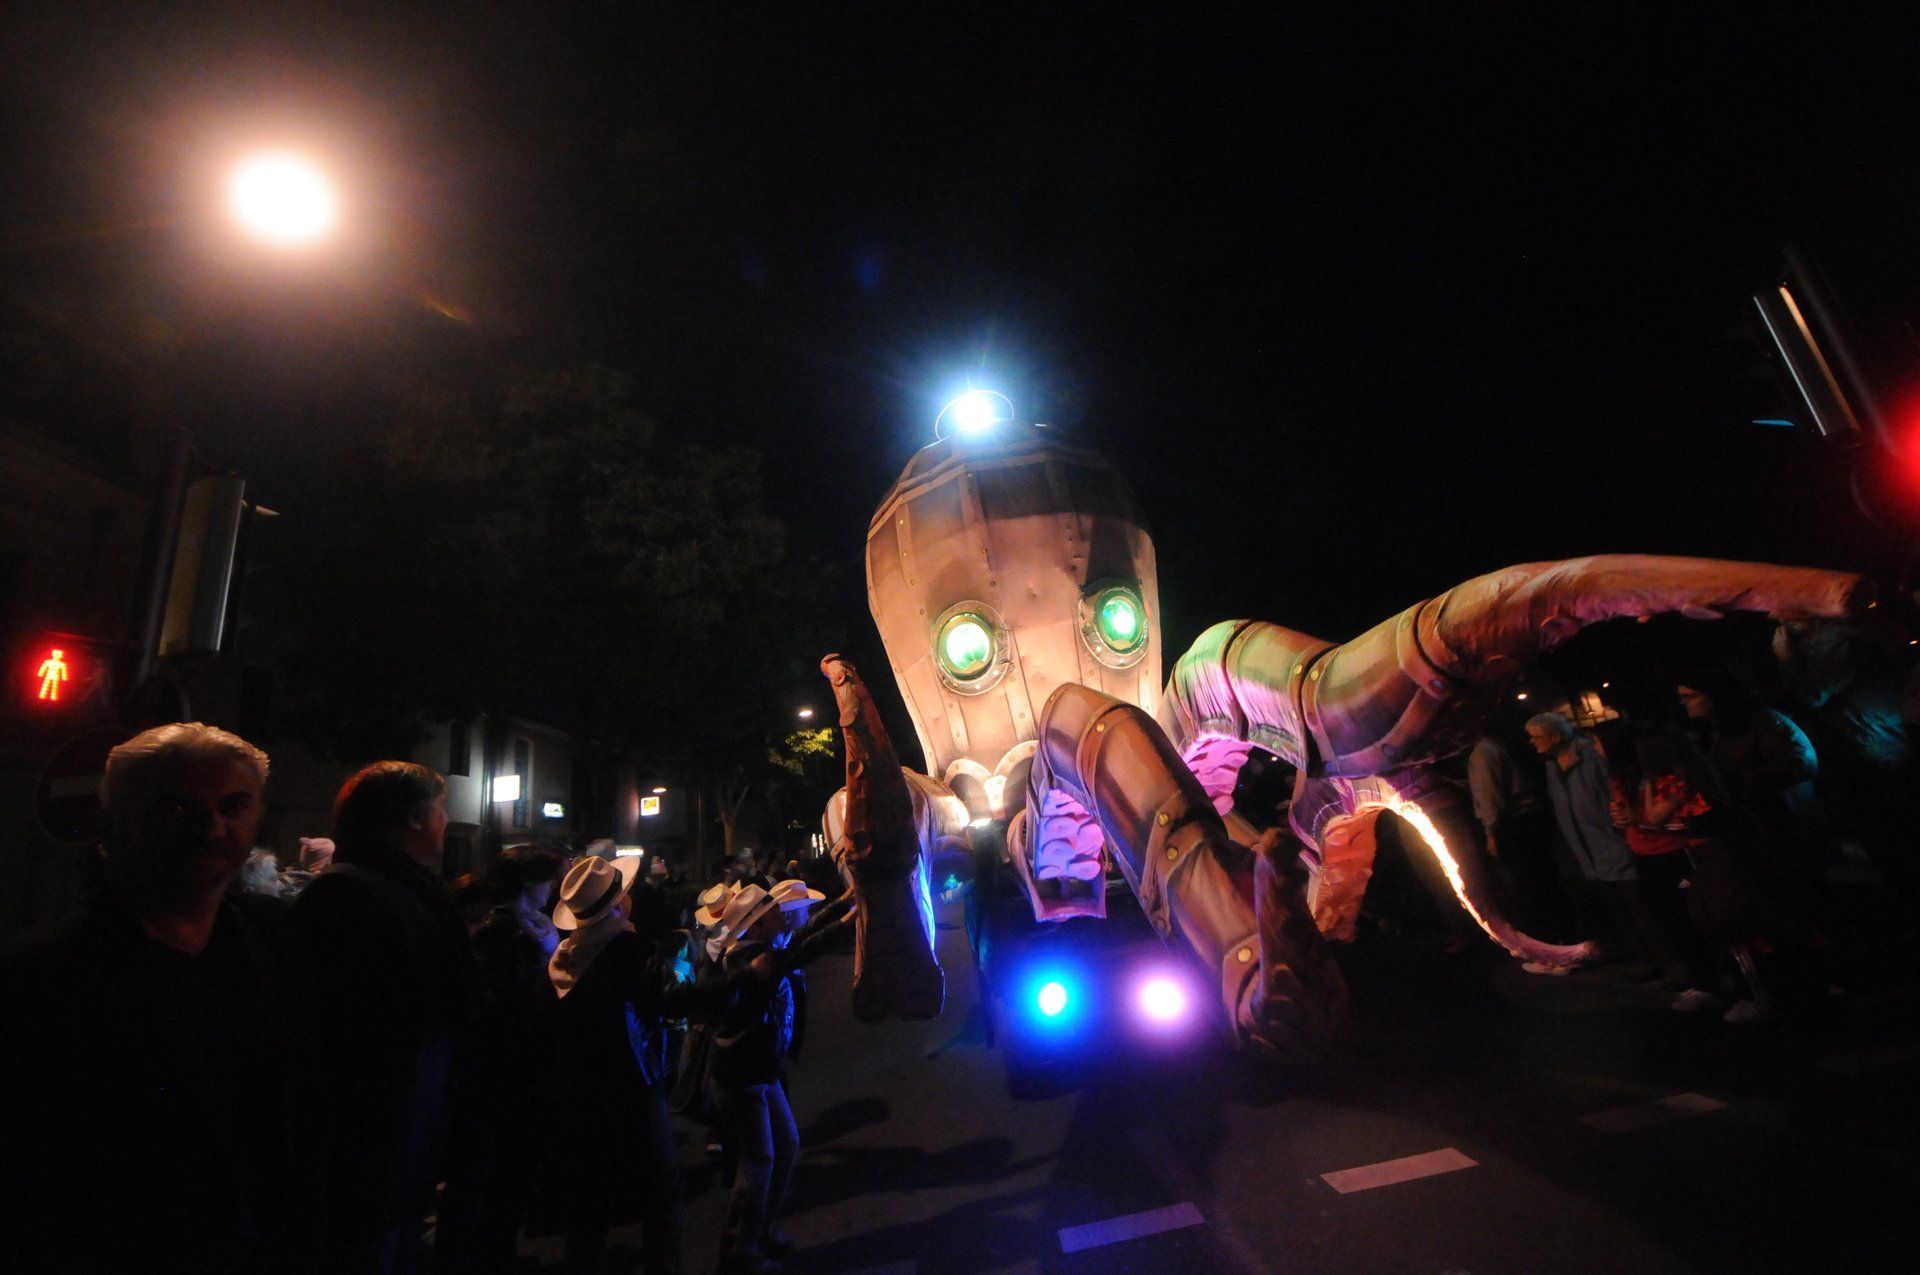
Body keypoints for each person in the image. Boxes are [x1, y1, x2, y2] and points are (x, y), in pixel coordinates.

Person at [2, 723, 329, 1271]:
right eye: (178, 808)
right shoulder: (41, 975)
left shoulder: (277, 944)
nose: (212, 828)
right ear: (115, 821)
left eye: (235, 805)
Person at [295, 762, 475, 1274]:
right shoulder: (349, 895)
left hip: (402, 1143)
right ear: (415, 820)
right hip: (373, 1153)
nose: (446, 822)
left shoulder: (394, 889)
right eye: (441, 811)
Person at [548, 854, 697, 1273]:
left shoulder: (566, 954)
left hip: (582, 1092)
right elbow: (673, 1001)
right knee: (661, 1196)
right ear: (617, 905)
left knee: (590, 1206)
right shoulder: (627, 950)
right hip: (634, 1087)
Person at [708, 880, 854, 1273]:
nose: (780, 916)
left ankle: (761, 1231)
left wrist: (842, 903)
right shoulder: (747, 960)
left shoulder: (763, 949)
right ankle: (741, 1249)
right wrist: (845, 922)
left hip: (760, 1070)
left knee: (786, 1148)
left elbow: (798, 940)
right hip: (742, 1076)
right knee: (758, 1164)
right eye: (771, 914)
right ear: (753, 927)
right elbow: (801, 951)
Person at [438, 845, 564, 1272]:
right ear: (531, 884)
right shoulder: (505, 932)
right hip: (505, 1072)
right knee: (495, 1174)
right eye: (548, 880)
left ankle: (494, 1251)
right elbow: (506, 1006)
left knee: (506, 1173)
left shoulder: (524, 926)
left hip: (515, 1067)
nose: (553, 889)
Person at [1526, 712, 1670, 979]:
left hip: (1613, 843)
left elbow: (1615, 790)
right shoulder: (1551, 765)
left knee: (1643, 909)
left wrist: (1621, 825)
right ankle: (1644, 959)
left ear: (1555, 737)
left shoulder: (1590, 755)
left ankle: (1666, 962)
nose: (1531, 743)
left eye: (1536, 737)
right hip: (1588, 851)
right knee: (1620, 911)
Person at [1468, 721, 1575, 943]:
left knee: (1530, 887)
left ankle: (1553, 944)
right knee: (1545, 881)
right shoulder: (1498, 747)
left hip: (1514, 826)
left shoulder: (1482, 754)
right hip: (1529, 821)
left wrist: (1491, 832)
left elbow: (1490, 798)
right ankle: (1567, 936)